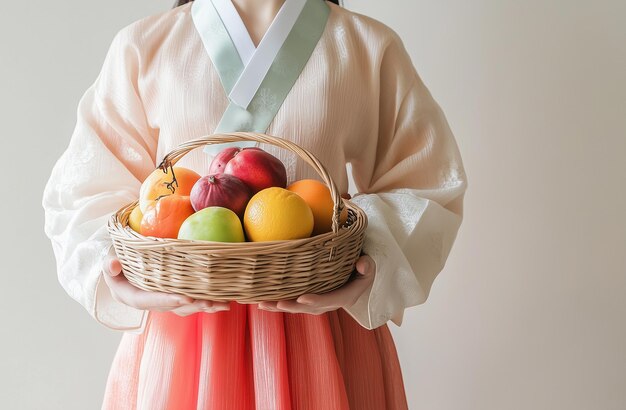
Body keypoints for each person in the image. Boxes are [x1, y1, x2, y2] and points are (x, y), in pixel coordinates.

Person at [41, 0, 468, 408]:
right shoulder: (144, 46)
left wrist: (365, 262)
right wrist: (112, 267)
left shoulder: (364, 46)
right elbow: (85, 188)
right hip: (183, 335)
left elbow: (427, 179)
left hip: (319, 321)